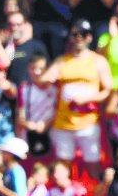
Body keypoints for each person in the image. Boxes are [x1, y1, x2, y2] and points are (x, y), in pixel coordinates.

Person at [39, 19, 113, 179]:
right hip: (63, 121)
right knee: (63, 165)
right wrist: (47, 77)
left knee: (93, 162)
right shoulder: (62, 61)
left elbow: (107, 89)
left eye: (83, 34)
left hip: (88, 121)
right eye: (75, 34)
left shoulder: (98, 61)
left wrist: (87, 99)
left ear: (90, 38)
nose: (79, 37)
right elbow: (44, 79)